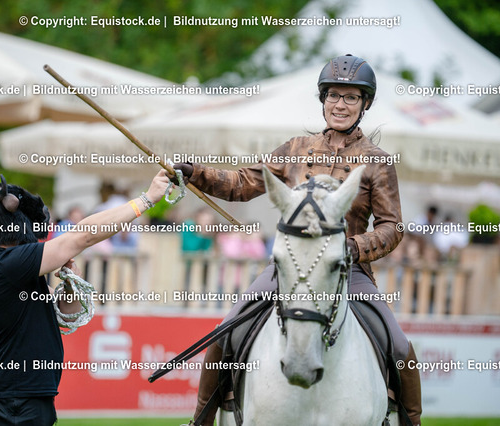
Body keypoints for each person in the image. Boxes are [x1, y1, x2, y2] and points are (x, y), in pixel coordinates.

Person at [174, 55, 422, 425]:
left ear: (365, 103)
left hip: (348, 271)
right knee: (226, 332)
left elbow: (392, 228)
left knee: (400, 347)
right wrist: (195, 172)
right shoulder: (294, 149)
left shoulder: (378, 161)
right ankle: (201, 420)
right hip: (288, 268)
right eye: (333, 95)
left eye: (351, 97)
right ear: (323, 99)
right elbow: (242, 183)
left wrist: (353, 248)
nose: (340, 105)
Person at [0, 170, 168, 426]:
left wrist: (70, 285)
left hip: (24, 395)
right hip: (14, 398)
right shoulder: (6, 263)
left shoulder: (7, 265)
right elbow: (82, 236)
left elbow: (66, 314)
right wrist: (146, 200)